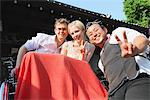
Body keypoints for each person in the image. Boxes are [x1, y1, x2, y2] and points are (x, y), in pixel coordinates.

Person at [86, 20, 150, 100]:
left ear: (105, 29)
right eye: (90, 35)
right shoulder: (100, 62)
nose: (94, 34)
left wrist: (135, 49)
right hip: (115, 93)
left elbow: (142, 40)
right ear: (91, 41)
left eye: (96, 30)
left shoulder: (117, 33)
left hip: (136, 80)